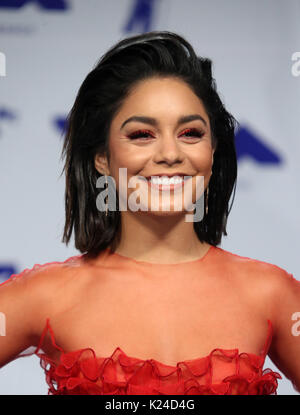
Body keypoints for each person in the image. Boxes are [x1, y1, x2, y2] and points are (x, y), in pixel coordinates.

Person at [0, 31, 300, 396]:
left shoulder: (271, 295)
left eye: (190, 133)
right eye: (142, 134)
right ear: (102, 159)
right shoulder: (48, 298)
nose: (170, 154)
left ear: (213, 152)